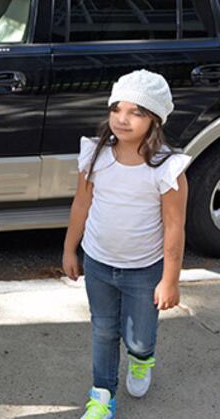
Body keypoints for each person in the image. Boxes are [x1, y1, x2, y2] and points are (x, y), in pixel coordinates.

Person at [62, 70, 190, 419]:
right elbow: (81, 205)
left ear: (155, 120)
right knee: (103, 329)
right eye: (117, 109)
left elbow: (174, 227)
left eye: (137, 112)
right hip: (99, 264)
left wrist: (170, 279)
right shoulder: (95, 155)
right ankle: (102, 394)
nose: (122, 119)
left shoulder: (166, 168)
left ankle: (142, 358)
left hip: (145, 271)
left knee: (139, 337)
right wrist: (69, 249)